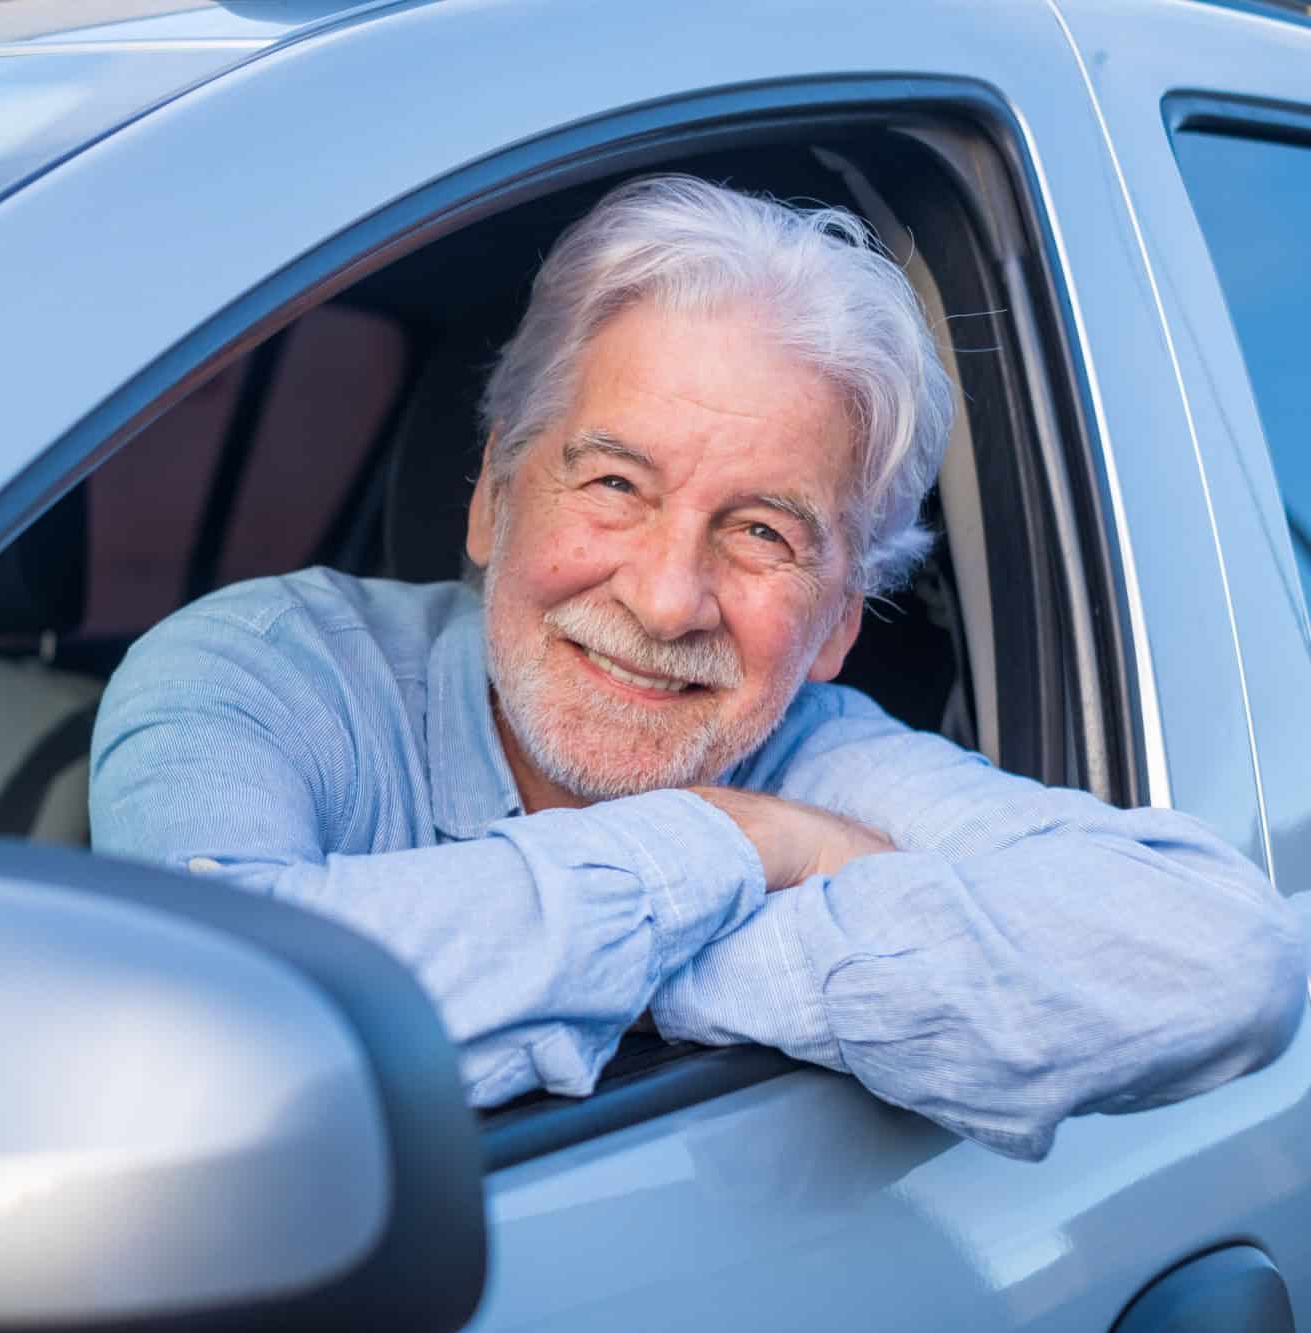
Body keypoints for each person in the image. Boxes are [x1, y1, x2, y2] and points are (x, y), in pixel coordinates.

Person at [87, 175, 1305, 1161]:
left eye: (762, 531)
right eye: (615, 484)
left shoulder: (815, 748)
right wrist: (729, 848)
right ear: (494, 500)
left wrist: (625, 957)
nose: (667, 597)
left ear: (835, 625)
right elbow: (214, 1031)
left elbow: (1217, 961)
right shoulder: (258, 672)